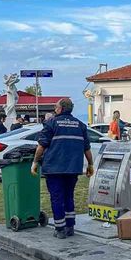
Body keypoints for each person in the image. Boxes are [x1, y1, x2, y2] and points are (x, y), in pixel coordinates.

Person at [32, 98, 94, 239]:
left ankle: (59, 229)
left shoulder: (51, 123)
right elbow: (87, 148)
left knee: (57, 197)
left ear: (60, 109)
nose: (55, 109)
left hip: (54, 168)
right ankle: (70, 227)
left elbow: (41, 146)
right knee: (68, 196)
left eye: (56, 107)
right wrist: (90, 164)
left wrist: (35, 162)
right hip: (73, 168)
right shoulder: (80, 125)